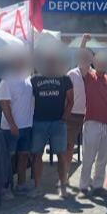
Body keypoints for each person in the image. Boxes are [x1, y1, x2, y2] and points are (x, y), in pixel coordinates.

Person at [30, 52, 74, 198]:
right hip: (39, 122)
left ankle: (63, 186)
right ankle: (37, 187)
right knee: (37, 154)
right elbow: (28, 100)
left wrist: (64, 118)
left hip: (58, 123)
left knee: (61, 155)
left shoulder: (65, 79)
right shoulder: (35, 79)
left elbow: (71, 100)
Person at [78, 50, 107, 198]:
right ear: (94, 62)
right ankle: (83, 187)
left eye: (104, 62)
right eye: (99, 61)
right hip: (91, 122)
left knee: (102, 159)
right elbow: (82, 61)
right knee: (88, 157)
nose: (102, 64)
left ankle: (98, 186)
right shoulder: (89, 76)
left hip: (106, 124)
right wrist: (84, 42)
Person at [0, 45, 34, 194]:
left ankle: (21, 185)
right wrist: (12, 125)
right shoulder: (6, 80)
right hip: (10, 128)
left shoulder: (28, 79)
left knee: (23, 156)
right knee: (8, 157)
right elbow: (4, 104)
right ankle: (5, 187)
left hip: (27, 126)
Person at [65, 39, 92, 174]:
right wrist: (84, 40)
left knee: (89, 148)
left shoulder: (94, 75)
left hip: (90, 116)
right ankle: (65, 174)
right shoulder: (72, 74)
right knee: (69, 146)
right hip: (73, 116)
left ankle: (86, 176)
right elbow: (65, 95)